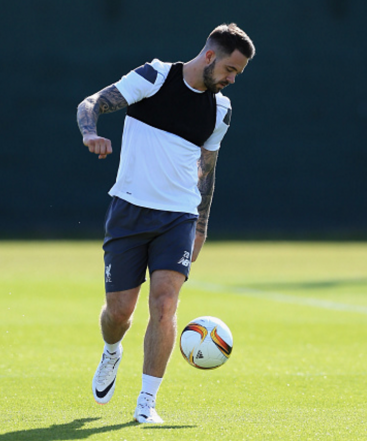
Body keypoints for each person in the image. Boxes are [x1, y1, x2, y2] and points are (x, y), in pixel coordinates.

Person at [76, 23, 255, 424]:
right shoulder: (154, 77)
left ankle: (146, 402)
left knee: (165, 303)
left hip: (179, 218)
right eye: (230, 70)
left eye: (237, 75)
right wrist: (91, 133)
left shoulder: (221, 110)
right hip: (129, 211)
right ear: (210, 56)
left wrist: (202, 229)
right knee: (119, 312)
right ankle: (111, 352)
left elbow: (207, 172)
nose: (230, 80)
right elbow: (91, 103)